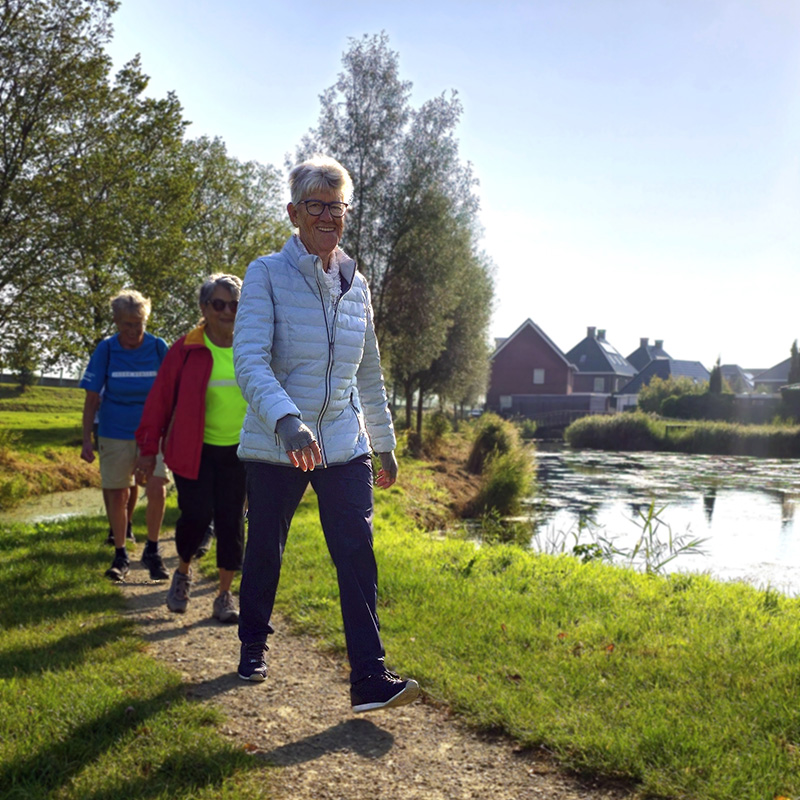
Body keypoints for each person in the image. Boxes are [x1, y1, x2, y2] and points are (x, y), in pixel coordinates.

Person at [233, 155, 419, 713]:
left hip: (343, 440)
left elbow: (369, 371)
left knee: (357, 552)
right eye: (315, 205)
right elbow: (249, 359)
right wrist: (286, 421)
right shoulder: (266, 273)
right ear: (294, 214)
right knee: (265, 548)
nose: (328, 217)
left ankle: (369, 678)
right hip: (277, 443)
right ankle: (252, 643)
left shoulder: (355, 284)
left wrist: (383, 442)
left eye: (337, 207)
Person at [135, 274, 247, 623]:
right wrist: (147, 449)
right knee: (196, 516)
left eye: (235, 305)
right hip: (194, 450)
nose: (227, 311)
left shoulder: (254, 346)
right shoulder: (185, 349)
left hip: (240, 453)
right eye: (219, 304)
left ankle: (224, 596)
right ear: (204, 308)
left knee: (231, 522)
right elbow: (159, 401)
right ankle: (183, 571)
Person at [80, 290, 170, 582]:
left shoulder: (158, 348)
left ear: (146, 320)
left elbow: (173, 392)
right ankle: (120, 553)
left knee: (156, 487)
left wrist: (172, 432)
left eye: (138, 324)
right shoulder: (106, 350)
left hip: (153, 433)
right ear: (117, 323)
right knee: (118, 492)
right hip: (114, 431)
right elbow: (91, 399)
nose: (132, 330)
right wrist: (86, 440)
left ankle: (152, 550)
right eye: (126, 324)